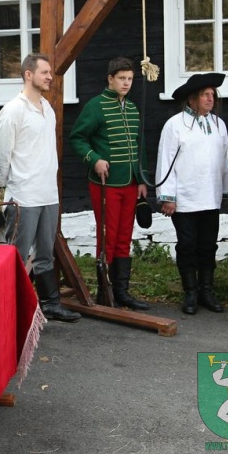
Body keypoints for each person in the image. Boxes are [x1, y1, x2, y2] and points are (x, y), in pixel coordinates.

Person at [0, 53, 80, 322]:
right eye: (44, 72)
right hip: (24, 195)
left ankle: (50, 304)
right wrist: (9, 185)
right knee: (16, 255)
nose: (49, 77)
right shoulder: (14, 110)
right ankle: (10, 309)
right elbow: (0, 150)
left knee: (44, 253)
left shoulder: (47, 108)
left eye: (50, 72)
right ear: (28, 74)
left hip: (47, 193)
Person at [69, 56, 150, 310]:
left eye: (129, 79)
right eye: (122, 79)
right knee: (107, 236)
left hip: (129, 184)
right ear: (110, 79)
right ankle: (105, 292)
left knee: (125, 236)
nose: (126, 84)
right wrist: (94, 160)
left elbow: (139, 146)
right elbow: (78, 138)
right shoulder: (96, 106)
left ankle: (122, 291)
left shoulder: (133, 108)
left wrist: (141, 179)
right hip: (106, 183)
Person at [156, 73, 228, 315]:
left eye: (213, 95)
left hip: (210, 197)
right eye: (205, 95)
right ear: (192, 99)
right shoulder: (175, 125)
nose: (211, 99)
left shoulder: (218, 124)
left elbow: (225, 160)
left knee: (208, 245)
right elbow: (165, 160)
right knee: (188, 245)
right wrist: (167, 196)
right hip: (185, 199)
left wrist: (227, 189)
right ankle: (190, 293)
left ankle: (206, 291)